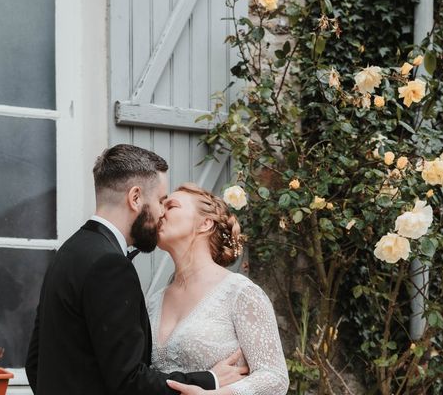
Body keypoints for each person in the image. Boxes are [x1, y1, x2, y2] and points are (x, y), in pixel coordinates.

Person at [25, 145, 247, 395]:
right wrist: (208, 380)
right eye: (162, 201)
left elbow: (35, 365)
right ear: (135, 198)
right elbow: (128, 381)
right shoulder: (110, 265)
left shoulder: (68, 252)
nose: (163, 212)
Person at [147, 183, 289, 395]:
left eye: (171, 206)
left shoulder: (240, 293)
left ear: (205, 223)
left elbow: (274, 377)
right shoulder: (152, 302)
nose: (160, 213)